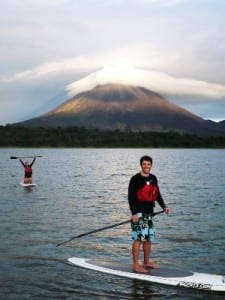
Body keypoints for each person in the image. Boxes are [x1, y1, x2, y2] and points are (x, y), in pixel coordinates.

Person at [128, 155, 170, 273]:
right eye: (144, 164)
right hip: (139, 214)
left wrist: (164, 206)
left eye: (148, 164)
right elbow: (131, 197)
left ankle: (146, 262)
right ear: (141, 165)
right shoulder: (135, 179)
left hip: (150, 214)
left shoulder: (153, 178)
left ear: (151, 165)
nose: (146, 166)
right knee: (138, 239)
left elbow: (157, 195)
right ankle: (135, 264)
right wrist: (134, 213)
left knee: (148, 239)